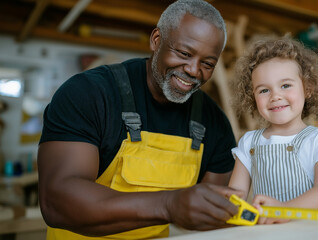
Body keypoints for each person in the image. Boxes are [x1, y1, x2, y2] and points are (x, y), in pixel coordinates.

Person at [37, 0, 242, 239]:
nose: (194, 71)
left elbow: (210, 214)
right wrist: (168, 204)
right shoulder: (89, 94)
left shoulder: (213, 122)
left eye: (207, 64)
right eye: (185, 54)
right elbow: (56, 201)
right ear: (156, 40)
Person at [228, 35, 318, 224]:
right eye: (264, 90)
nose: (275, 96)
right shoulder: (249, 142)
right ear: (252, 97)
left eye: (285, 85)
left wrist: (285, 210)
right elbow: (235, 195)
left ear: (307, 88)